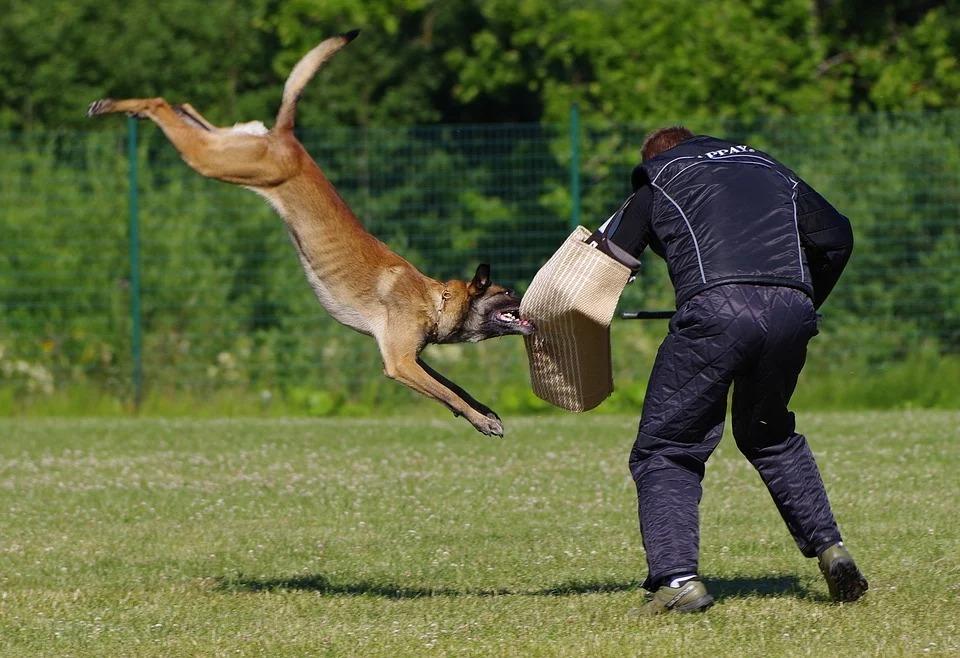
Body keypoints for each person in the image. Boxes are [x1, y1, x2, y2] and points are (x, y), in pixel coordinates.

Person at [588, 127, 867, 615]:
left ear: (654, 156)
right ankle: (831, 549)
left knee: (667, 448)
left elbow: (603, 264)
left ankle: (677, 581)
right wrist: (803, 298)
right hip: (792, 308)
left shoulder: (659, 179)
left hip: (716, 310)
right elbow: (837, 236)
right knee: (769, 434)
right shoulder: (770, 168)